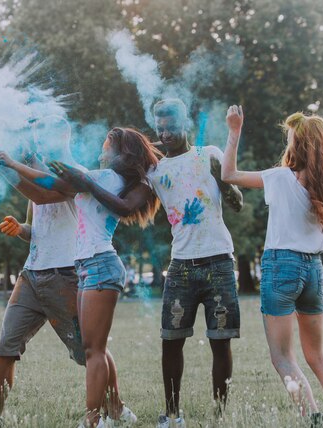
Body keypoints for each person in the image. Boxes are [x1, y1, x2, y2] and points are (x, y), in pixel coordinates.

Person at [56, 99, 244, 427]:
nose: (165, 132)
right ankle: (172, 416)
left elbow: (238, 202)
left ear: (185, 122)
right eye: (160, 126)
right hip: (181, 265)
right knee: (170, 342)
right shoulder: (156, 171)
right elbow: (129, 180)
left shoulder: (209, 155)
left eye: (171, 125)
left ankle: (219, 415)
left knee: (220, 342)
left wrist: (226, 187)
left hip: (219, 263)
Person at [0, 126, 160, 428]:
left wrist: (12, 163)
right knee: (92, 348)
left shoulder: (105, 178)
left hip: (100, 265)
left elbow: (49, 183)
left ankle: (93, 419)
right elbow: (50, 183)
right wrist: (21, 163)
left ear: (120, 152)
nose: (101, 148)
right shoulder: (99, 179)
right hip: (86, 266)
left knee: (92, 350)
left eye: (105, 144)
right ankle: (112, 413)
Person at [221, 106, 323, 428]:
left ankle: (315, 421)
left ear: (296, 145)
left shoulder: (279, 177)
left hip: (280, 267)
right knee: (318, 356)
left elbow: (228, 175)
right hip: (312, 270)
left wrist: (234, 131)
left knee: (283, 358)